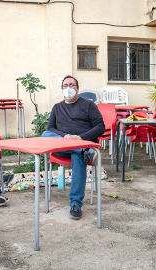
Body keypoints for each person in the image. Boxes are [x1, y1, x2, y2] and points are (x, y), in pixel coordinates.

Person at [42, 75, 105, 220]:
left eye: (72, 85)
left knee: (78, 157)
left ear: (77, 88)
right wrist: (65, 137)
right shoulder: (57, 107)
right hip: (64, 147)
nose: (68, 88)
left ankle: (75, 204)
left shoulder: (88, 105)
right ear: (62, 89)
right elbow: (50, 128)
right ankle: (81, 149)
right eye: (65, 85)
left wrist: (81, 138)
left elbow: (100, 127)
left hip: (83, 144)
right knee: (45, 134)